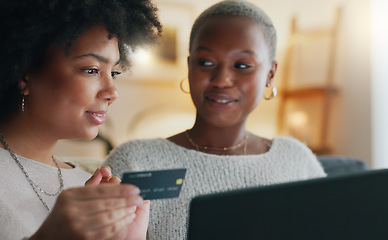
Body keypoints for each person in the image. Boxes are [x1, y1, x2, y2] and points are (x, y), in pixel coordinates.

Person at [105, 0, 327, 239]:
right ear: (189, 67)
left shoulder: (296, 161)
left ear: (270, 74)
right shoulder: (135, 162)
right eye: (206, 63)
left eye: (242, 65)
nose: (222, 80)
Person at [0, 0, 162, 239]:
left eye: (114, 72)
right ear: (23, 71)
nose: (112, 92)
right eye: (91, 70)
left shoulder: (88, 184)